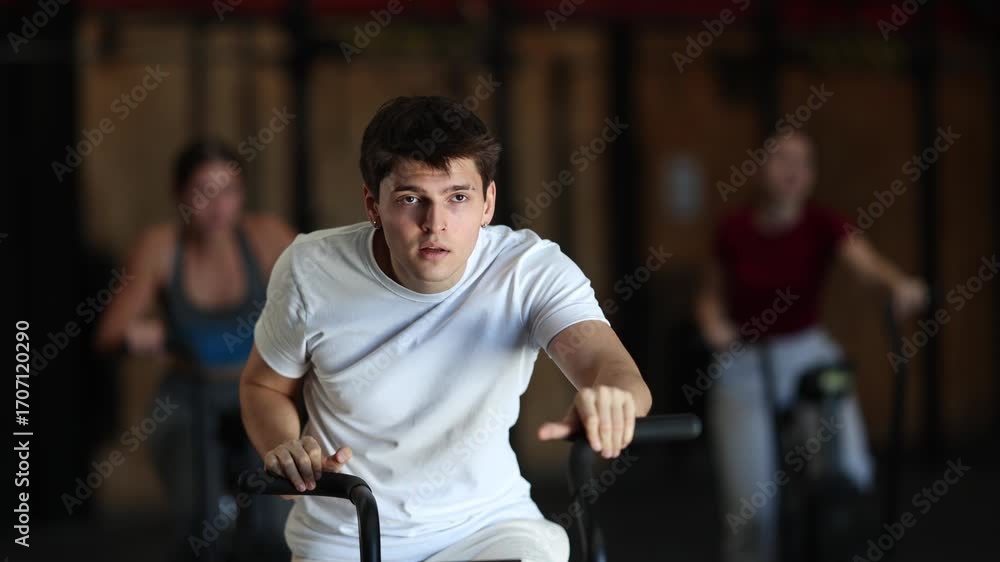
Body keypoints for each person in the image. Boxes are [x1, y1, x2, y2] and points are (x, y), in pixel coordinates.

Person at [240, 96, 653, 562]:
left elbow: (612, 369)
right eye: (411, 199)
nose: (435, 224)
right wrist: (287, 448)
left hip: (489, 526)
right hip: (346, 532)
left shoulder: (527, 270)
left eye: (458, 198)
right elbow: (263, 385)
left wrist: (613, 398)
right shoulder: (311, 269)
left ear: (487, 203)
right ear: (373, 204)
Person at [695, 131, 928, 562]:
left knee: (846, 474)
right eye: (782, 159)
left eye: (803, 162)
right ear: (759, 168)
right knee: (751, 513)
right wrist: (713, 324)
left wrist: (899, 286)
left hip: (806, 352)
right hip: (746, 358)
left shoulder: (823, 223)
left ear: (812, 175)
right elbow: (711, 295)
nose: (793, 169)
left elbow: (868, 267)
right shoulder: (733, 228)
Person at [95, 139, 297, 561]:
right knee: (200, 525)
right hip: (190, 398)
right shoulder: (161, 246)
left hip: (258, 392)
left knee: (274, 525)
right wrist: (146, 335)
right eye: (204, 192)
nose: (219, 206)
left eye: (230, 191)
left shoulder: (265, 235)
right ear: (179, 193)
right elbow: (110, 333)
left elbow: (324, 297)